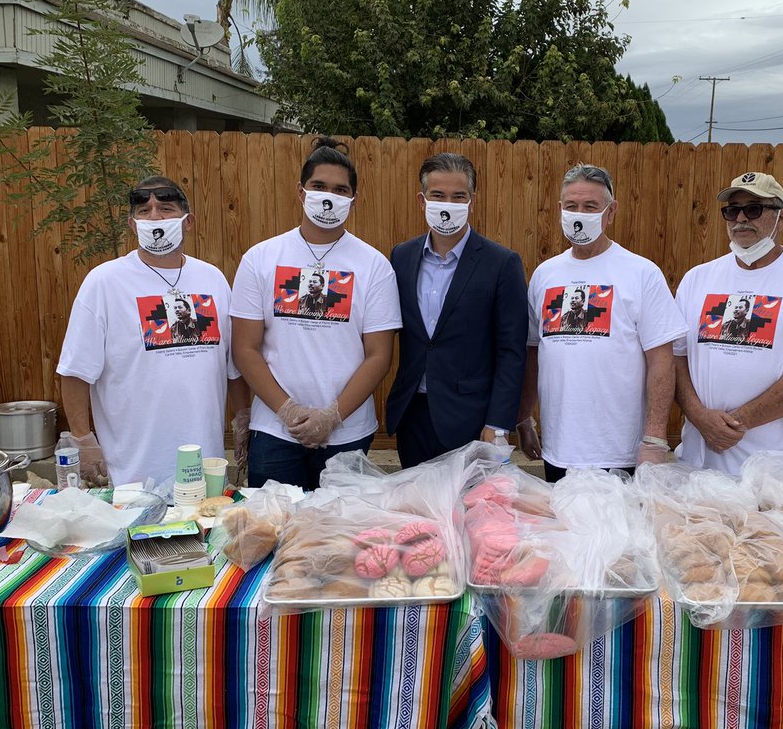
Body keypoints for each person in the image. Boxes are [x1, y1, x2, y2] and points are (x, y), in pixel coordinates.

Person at [231, 138, 401, 490]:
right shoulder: (260, 258)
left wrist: (332, 416)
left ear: (353, 199)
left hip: (347, 432)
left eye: (341, 190)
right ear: (300, 191)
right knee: (277, 537)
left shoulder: (374, 266)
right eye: (319, 186)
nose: (329, 197)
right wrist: (288, 411)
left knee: (338, 538)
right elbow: (245, 349)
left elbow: (379, 355)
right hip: (276, 431)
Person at [57, 176, 249, 487]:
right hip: (133, 477)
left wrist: (243, 419)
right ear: (132, 225)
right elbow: (75, 372)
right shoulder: (104, 283)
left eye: (166, 208)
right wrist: (83, 439)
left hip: (204, 471)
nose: (155, 217)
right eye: (144, 211)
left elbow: (234, 367)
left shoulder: (212, 280)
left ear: (189, 222)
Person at [518, 164, 686, 481]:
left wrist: (654, 438)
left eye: (590, 207)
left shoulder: (641, 273)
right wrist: (525, 418)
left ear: (610, 213)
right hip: (559, 449)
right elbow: (532, 352)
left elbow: (662, 360)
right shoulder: (545, 275)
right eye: (571, 206)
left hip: (619, 451)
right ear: (559, 210)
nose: (579, 214)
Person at [673, 172, 783, 475]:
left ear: (782, 216)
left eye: (753, 209)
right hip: (699, 463)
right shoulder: (697, 279)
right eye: (732, 210)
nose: (741, 218)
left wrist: (736, 423)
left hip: (776, 471)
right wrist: (700, 417)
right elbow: (676, 359)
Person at [386, 153, 527, 467]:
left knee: (471, 513)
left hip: (471, 420)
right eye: (438, 196)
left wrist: (498, 423)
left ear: (471, 202)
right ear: (422, 201)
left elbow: (511, 351)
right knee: (419, 513)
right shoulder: (402, 257)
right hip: (412, 415)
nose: (447, 204)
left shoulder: (502, 263)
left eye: (457, 196)